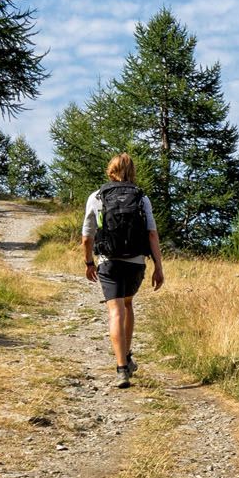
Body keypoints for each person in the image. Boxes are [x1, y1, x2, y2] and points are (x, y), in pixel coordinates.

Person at [81, 153, 164, 388]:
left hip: (109, 261)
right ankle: (126, 357)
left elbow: (87, 236)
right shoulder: (141, 198)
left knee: (115, 312)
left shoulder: (97, 197)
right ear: (132, 171)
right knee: (128, 305)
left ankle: (121, 369)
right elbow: (152, 234)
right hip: (136, 262)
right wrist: (158, 266)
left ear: (110, 170)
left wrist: (89, 263)